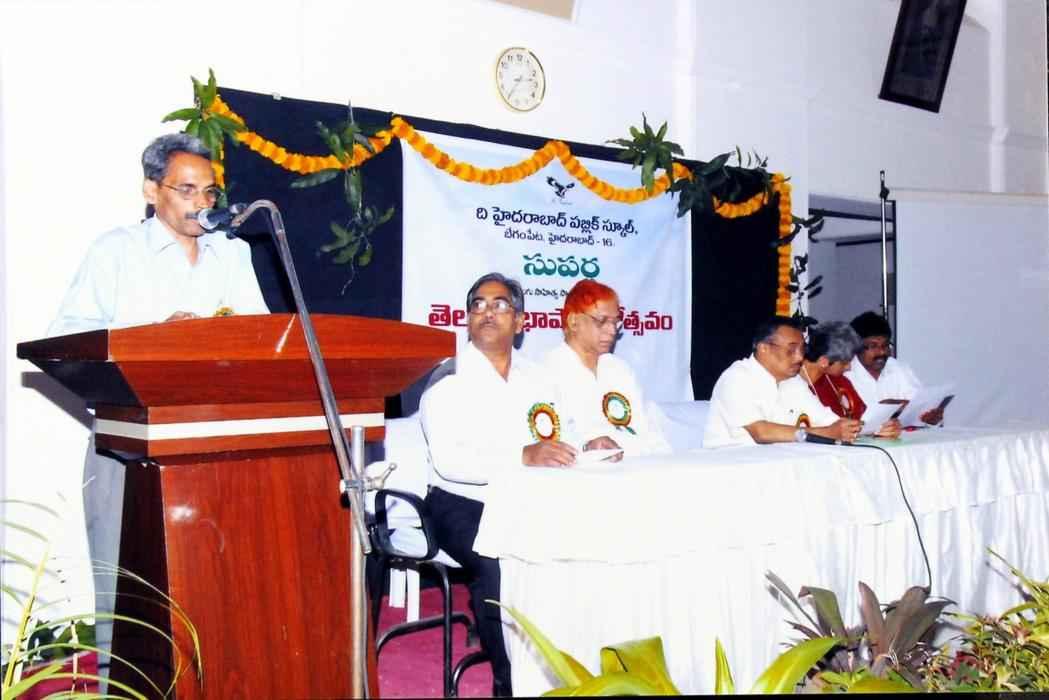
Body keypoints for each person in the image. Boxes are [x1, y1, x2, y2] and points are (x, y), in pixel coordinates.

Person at [46, 133, 269, 679]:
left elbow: (262, 341)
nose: (201, 204)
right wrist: (153, 338)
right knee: (127, 594)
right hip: (129, 447)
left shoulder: (233, 254)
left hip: (219, 442)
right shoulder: (115, 251)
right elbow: (67, 340)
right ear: (152, 191)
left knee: (223, 588)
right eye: (186, 190)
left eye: (209, 192)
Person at [419, 272, 575, 697]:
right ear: (468, 319)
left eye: (500, 304)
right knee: (498, 558)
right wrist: (521, 456)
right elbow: (450, 463)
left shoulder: (538, 378)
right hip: (460, 501)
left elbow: (564, 431)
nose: (488, 312)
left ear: (521, 322)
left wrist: (585, 442)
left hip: (527, 498)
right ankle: (509, 682)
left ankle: (566, 664)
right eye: (479, 305)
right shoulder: (448, 379)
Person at [543, 279, 670, 459]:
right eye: (601, 321)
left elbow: (648, 433)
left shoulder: (620, 370)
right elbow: (545, 444)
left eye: (615, 322)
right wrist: (586, 448)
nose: (611, 330)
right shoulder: (546, 371)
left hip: (635, 465)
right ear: (573, 321)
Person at [703, 316, 862, 448]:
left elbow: (827, 420)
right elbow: (761, 433)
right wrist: (827, 433)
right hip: (734, 465)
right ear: (763, 348)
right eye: (791, 350)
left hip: (779, 464)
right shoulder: (737, 377)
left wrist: (860, 430)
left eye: (802, 349)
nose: (800, 357)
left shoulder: (793, 381)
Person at [800, 322, 901, 439]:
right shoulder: (793, 384)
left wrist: (882, 427)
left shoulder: (840, 381)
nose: (849, 367)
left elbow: (862, 419)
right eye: (844, 363)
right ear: (824, 361)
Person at [846, 311, 942, 425]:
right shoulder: (845, 374)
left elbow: (920, 406)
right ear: (856, 347)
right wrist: (887, 409)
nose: (882, 352)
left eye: (885, 345)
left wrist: (929, 417)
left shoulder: (899, 368)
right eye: (873, 346)